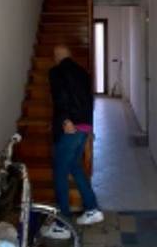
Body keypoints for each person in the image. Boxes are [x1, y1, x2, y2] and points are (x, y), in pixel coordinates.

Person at [42, 45, 104, 240]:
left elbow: (60, 97)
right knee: (75, 166)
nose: (53, 58)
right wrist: (90, 128)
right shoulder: (84, 73)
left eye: (54, 55)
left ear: (57, 56)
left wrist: (64, 120)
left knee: (60, 172)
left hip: (70, 127)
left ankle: (63, 224)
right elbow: (89, 101)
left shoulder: (56, 71)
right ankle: (92, 209)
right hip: (84, 127)